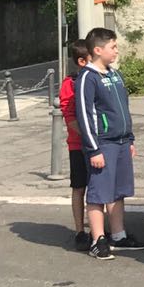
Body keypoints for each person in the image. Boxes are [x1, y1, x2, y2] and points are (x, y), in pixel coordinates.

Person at [76, 27, 142, 258]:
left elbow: (124, 107)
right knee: (99, 192)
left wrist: (130, 137)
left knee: (118, 191)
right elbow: (84, 114)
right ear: (97, 49)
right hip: (103, 143)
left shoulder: (114, 74)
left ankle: (118, 234)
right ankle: (97, 238)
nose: (116, 51)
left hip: (122, 141)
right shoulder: (87, 77)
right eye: (112, 47)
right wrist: (93, 148)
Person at [58, 38, 90, 250]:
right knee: (79, 187)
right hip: (79, 145)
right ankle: (80, 230)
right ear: (81, 61)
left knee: (99, 188)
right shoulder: (69, 85)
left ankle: (100, 228)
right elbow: (69, 117)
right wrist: (89, 136)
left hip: (98, 144)